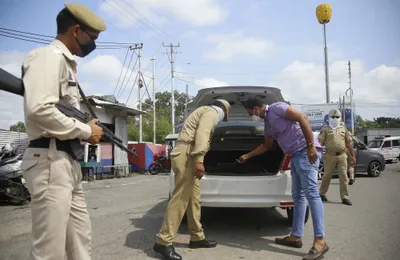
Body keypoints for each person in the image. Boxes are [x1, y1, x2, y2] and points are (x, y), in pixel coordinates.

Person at [19, 3, 106, 260]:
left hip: (67, 161)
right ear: (76, 30)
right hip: (49, 160)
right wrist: (84, 131)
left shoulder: (67, 65)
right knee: (50, 250)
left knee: (80, 241)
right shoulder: (48, 57)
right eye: (92, 38)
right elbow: (39, 110)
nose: (93, 45)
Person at [238, 98, 329, 260]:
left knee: (312, 195)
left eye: (250, 113)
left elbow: (302, 118)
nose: (252, 116)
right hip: (294, 155)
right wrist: (247, 155)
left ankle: (320, 241)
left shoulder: (277, 108)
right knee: (298, 197)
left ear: (256, 108)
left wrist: (311, 146)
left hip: (305, 151)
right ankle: (295, 236)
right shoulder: (268, 124)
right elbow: (266, 146)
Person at [153, 99, 231, 260]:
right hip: (187, 155)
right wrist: (200, 159)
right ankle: (163, 241)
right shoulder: (212, 112)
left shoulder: (203, 110)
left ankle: (197, 237)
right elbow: (202, 133)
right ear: (224, 110)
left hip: (186, 152)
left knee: (193, 199)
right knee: (180, 198)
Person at [318, 109, 356, 206]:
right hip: (330, 155)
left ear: (340, 118)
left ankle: (345, 197)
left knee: (344, 176)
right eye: (333, 117)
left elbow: (348, 143)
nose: (335, 119)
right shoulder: (326, 129)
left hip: (342, 155)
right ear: (329, 118)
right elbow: (320, 143)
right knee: (327, 175)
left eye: (337, 117)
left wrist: (353, 156)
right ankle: (321, 193)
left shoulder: (344, 129)